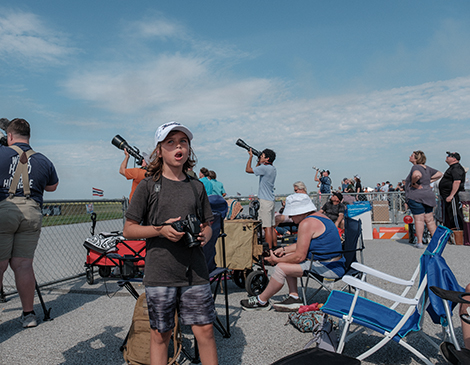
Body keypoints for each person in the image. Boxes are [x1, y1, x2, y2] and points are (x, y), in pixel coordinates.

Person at [123, 121, 218, 365]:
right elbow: (129, 230)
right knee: (160, 333)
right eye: (171, 142)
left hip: (194, 271)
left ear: (189, 149)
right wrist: (161, 230)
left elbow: (208, 225)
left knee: (205, 331)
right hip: (160, 271)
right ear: (159, 150)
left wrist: (203, 235)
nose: (179, 147)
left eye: (183, 142)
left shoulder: (197, 186)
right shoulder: (148, 185)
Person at [240, 193, 345, 311]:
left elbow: (299, 257)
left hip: (328, 268)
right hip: (335, 262)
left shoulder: (306, 224)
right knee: (288, 257)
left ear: (299, 212)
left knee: (281, 267)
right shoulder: (319, 217)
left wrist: (276, 260)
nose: (290, 217)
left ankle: (261, 301)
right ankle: (293, 297)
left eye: (292, 213)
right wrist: (284, 250)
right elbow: (304, 244)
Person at [0, 118, 59, 327]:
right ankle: (29, 315)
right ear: (28, 137)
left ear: (9, 136)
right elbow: (52, 187)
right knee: (23, 264)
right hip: (32, 211)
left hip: (5, 210)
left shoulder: (2, 153)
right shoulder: (43, 160)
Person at [404, 150, 443, 249]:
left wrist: (414, 183)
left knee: (419, 220)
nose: (410, 157)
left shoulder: (415, 167)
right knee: (430, 220)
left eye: (412, 156)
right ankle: (436, 241)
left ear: (416, 158)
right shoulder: (427, 168)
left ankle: (420, 242)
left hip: (417, 196)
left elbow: (417, 175)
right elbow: (439, 174)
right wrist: (428, 181)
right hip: (428, 195)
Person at [246, 147, 277, 249]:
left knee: (267, 227)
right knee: (272, 227)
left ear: (267, 159)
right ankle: (275, 248)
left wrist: (250, 156)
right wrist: (259, 160)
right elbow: (256, 170)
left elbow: (248, 170)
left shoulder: (265, 168)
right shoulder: (271, 168)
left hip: (264, 201)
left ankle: (268, 251)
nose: (261, 156)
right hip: (271, 200)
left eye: (262, 156)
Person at [439, 152, 466, 231]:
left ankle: (458, 231)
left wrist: (451, 195)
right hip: (447, 196)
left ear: (454, 159)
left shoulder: (456, 168)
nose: (447, 157)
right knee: (450, 214)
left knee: (455, 214)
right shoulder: (452, 168)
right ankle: (453, 230)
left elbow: (457, 182)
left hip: (453, 196)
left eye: (449, 156)